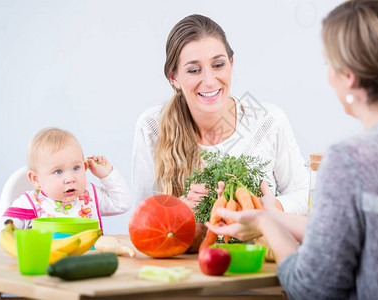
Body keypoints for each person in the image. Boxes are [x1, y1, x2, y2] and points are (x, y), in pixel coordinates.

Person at [207, 0, 378, 298]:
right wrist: (270, 214)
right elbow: (346, 236)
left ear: (349, 76)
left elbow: (312, 288)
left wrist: (266, 223)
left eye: (329, 63)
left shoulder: (349, 161)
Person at [131, 14, 309, 215]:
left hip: (257, 246)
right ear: (174, 78)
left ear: (231, 63)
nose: (209, 81)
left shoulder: (266, 119)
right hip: (189, 247)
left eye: (218, 65)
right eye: (194, 70)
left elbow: (302, 194)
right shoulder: (153, 126)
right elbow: (141, 217)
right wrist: (179, 208)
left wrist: (267, 208)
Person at [0, 127, 131, 243]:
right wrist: (10, 238)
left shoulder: (90, 195)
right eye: (58, 171)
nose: (70, 178)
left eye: (76, 168)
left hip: (91, 266)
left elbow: (122, 203)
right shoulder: (31, 203)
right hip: (48, 268)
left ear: (85, 167)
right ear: (36, 179)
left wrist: (107, 175)